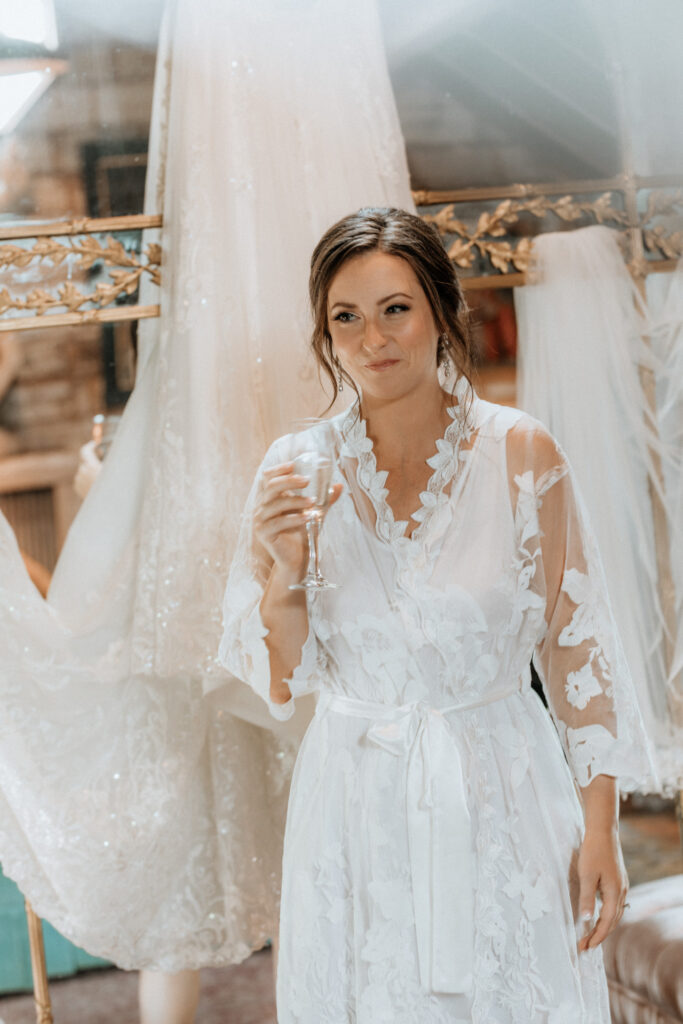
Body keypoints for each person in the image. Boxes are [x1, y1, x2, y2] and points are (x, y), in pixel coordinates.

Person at [220, 207, 657, 1022]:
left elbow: (576, 651)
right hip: (354, 800)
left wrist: (599, 830)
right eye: (344, 317)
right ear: (323, 334)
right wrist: (284, 574)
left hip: (505, 785)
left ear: (439, 312)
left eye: (395, 308)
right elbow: (278, 677)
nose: (372, 338)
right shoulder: (293, 470)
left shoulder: (521, 454)